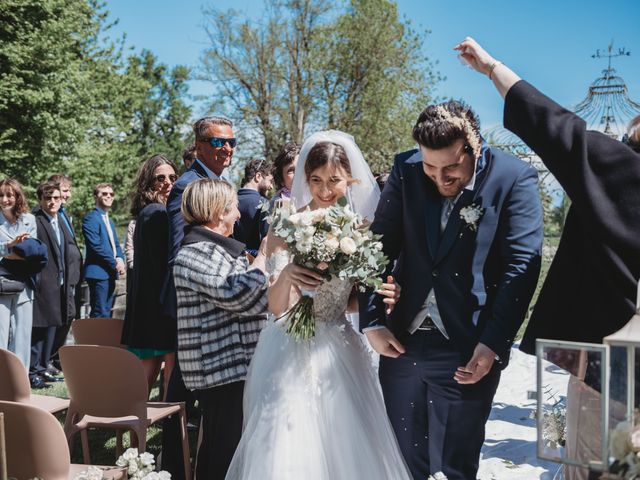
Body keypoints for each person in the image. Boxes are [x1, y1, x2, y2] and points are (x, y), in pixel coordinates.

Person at [455, 36, 640, 480]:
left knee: (594, 466)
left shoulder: (618, 168)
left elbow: (553, 124)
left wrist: (492, 67)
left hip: (608, 362)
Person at [359, 95, 543, 478]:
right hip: (401, 344)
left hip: (468, 345)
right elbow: (376, 247)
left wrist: (493, 343)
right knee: (403, 462)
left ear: (472, 147)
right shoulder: (405, 169)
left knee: (457, 466)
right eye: (430, 167)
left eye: (452, 168)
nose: (441, 179)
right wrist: (373, 321)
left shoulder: (513, 178)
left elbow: (522, 264)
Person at [226, 131, 410, 480]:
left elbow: (355, 300)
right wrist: (289, 275)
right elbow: (277, 307)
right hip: (290, 348)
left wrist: (384, 295)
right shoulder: (285, 227)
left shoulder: (360, 231)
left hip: (339, 346)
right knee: (290, 446)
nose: (325, 190)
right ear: (304, 180)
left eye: (335, 181)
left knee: (347, 446)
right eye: (316, 180)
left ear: (350, 180)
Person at [173, 179, 269, 480]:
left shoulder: (218, 250)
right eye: (234, 209)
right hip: (220, 370)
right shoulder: (195, 253)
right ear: (217, 212)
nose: (239, 216)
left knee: (230, 450)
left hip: (234, 368)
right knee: (222, 454)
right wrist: (265, 255)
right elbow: (240, 295)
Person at [161, 115, 236, 479]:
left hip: (219, 300)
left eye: (232, 142)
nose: (227, 149)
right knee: (183, 391)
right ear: (200, 145)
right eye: (219, 142)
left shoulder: (223, 183)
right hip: (195, 301)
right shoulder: (186, 186)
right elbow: (180, 251)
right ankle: (173, 463)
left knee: (198, 394)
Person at [121, 154, 178, 397]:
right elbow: (162, 263)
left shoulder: (151, 211)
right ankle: (170, 419)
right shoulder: (156, 213)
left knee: (152, 364)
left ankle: (136, 419)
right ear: (148, 183)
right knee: (165, 364)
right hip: (158, 303)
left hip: (149, 303)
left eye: (173, 177)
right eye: (160, 178)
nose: (168, 183)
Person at [31, 181, 82, 388]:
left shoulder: (59, 220)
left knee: (53, 325)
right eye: (48, 198)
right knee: (39, 329)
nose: (52, 202)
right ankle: (33, 371)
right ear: (41, 200)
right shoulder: (36, 220)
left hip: (60, 282)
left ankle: (44, 368)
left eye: (56, 198)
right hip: (43, 282)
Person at [0, 179, 37, 369]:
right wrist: (10, 247)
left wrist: (16, 252)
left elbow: (35, 250)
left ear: (17, 196)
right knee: (1, 332)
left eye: (10, 195)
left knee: (22, 333)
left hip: (24, 282)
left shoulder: (29, 220)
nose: (5, 199)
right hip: (2, 284)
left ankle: (20, 379)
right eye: (1, 195)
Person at [48, 174, 82, 371]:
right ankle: (51, 357)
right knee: (62, 316)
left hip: (72, 276)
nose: (68, 195)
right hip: (59, 277)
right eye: (66, 190)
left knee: (68, 315)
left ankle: (56, 356)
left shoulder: (63, 214)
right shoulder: (51, 215)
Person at [82, 183, 125, 318]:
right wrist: (115, 263)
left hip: (110, 273)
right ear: (96, 196)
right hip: (98, 273)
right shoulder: (91, 218)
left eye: (111, 194)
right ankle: (94, 340)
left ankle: (103, 339)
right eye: (104, 194)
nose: (109, 196)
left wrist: (120, 258)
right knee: (99, 313)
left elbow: (115, 245)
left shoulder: (109, 221)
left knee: (106, 313)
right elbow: (96, 246)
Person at [234, 159, 273, 256]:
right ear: (258, 176)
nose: (271, 186)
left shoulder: (228, 201)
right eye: (270, 181)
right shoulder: (264, 204)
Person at [269, 142, 300, 208]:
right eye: (291, 170)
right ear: (281, 180)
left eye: (301, 167)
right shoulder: (279, 204)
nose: (298, 174)